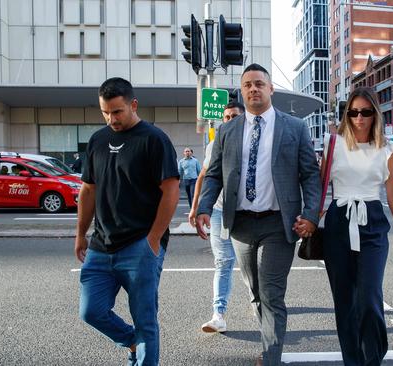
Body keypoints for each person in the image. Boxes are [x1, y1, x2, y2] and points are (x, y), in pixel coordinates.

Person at [195, 63, 321, 366]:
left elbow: (310, 175)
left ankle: (271, 357)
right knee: (255, 292)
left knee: (272, 294)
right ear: (243, 90)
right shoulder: (227, 131)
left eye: (259, 84)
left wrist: (311, 215)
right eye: (248, 84)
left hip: (279, 224)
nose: (254, 89)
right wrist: (202, 207)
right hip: (240, 225)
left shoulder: (294, 127)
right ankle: (268, 343)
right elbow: (214, 175)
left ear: (270, 89)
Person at [75, 77, 180, 366]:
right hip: (101, 244)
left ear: (133, 105)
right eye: (105, 112)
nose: (111, 119)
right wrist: (80, 233)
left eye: (117, 111)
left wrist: (154, 239)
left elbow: (170, 189)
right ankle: (130, 341)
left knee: (145, 320)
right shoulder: (98, 140)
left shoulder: (153, 139)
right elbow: (88, 189)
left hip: (140, 244)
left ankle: (143, 353)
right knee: (91, 311)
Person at [322, 87, 393, 366]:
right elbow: (319, 186)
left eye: (365, 112)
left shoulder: (387, 149)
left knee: (370, 299)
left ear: (375, 114)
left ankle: (372, 359)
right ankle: (353, 361)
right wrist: (310, 219)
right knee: (345, 301)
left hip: (372, 222)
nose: (359, 118)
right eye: (353, 112)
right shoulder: (332, 143)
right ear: (346, 114)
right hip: (338, 221)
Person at [188, 101, 245, 333]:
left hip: (247, 214)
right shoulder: (214, 145)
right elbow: (204, 176)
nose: (230, 120)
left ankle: (258, 301)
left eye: (234, 116)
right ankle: (218, 314)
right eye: (227, 117)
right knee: (223, 262)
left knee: (252, 265)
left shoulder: (254, 141)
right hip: (221, 212)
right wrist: (196, 208)